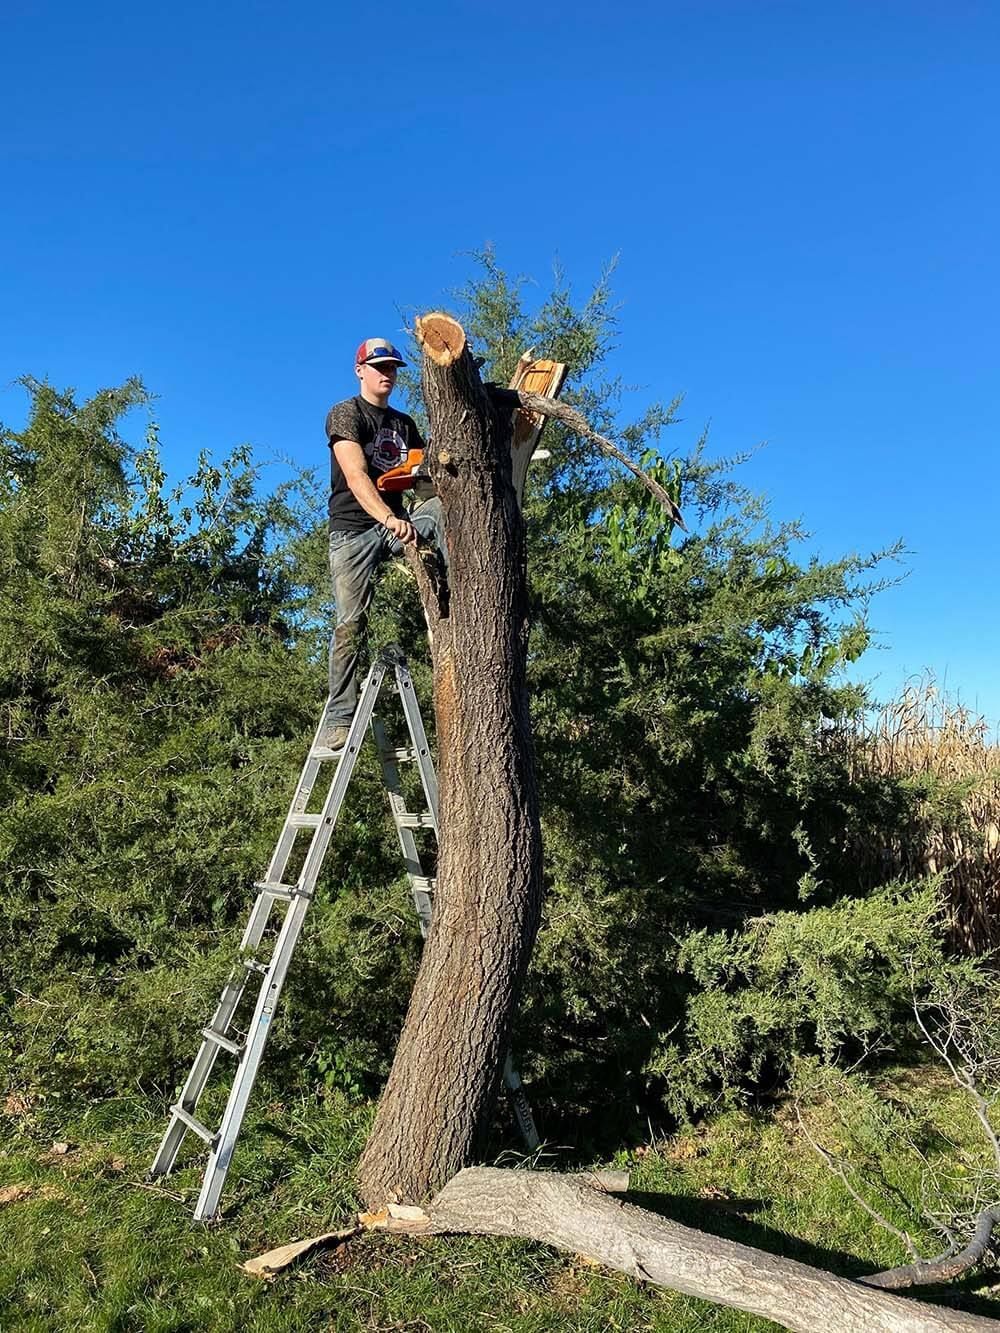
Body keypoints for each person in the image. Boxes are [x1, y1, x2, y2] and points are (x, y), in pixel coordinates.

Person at [322, 337, 446, 750]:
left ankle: (454, 587)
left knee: (444, 512)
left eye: (393, 368)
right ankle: (338, 718)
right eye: (380, 367)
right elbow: (356, 476)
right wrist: (391, 518)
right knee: (349, 624)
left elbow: (424, 476)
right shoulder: (346, 414)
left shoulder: (405, 425)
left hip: (396, 525)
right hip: (353, 532)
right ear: (361, 371)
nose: (387, 374)